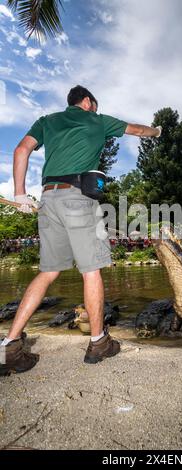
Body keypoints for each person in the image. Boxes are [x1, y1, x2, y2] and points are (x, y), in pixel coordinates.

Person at [0, 85, 162, 375]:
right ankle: (98, 342)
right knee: (91, 270)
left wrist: (21, 194)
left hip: (48, 198)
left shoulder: (47, 120)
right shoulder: (97, 120)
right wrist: (158, 132)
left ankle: (9, 345)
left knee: (47, 272)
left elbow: (21, 149)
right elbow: (138, 130)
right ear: (87, 102)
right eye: (95, 105)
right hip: (78, 197)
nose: (96, 110)